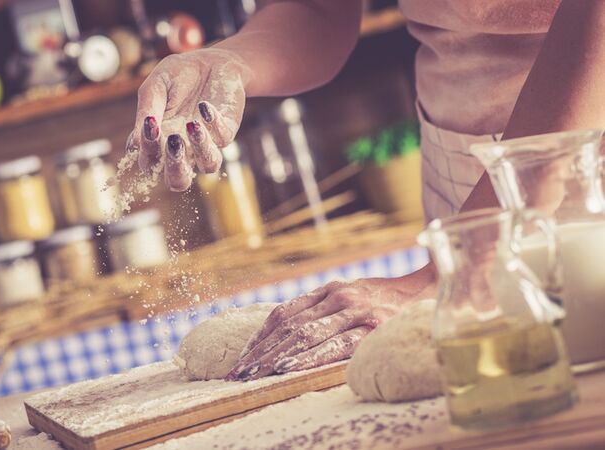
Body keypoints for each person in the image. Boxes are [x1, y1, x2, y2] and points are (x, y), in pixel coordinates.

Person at [126, 1, 605, 380]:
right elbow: (318, 10)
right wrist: (230, 61)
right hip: (460, 173)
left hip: (585, 161)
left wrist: (449, 272)